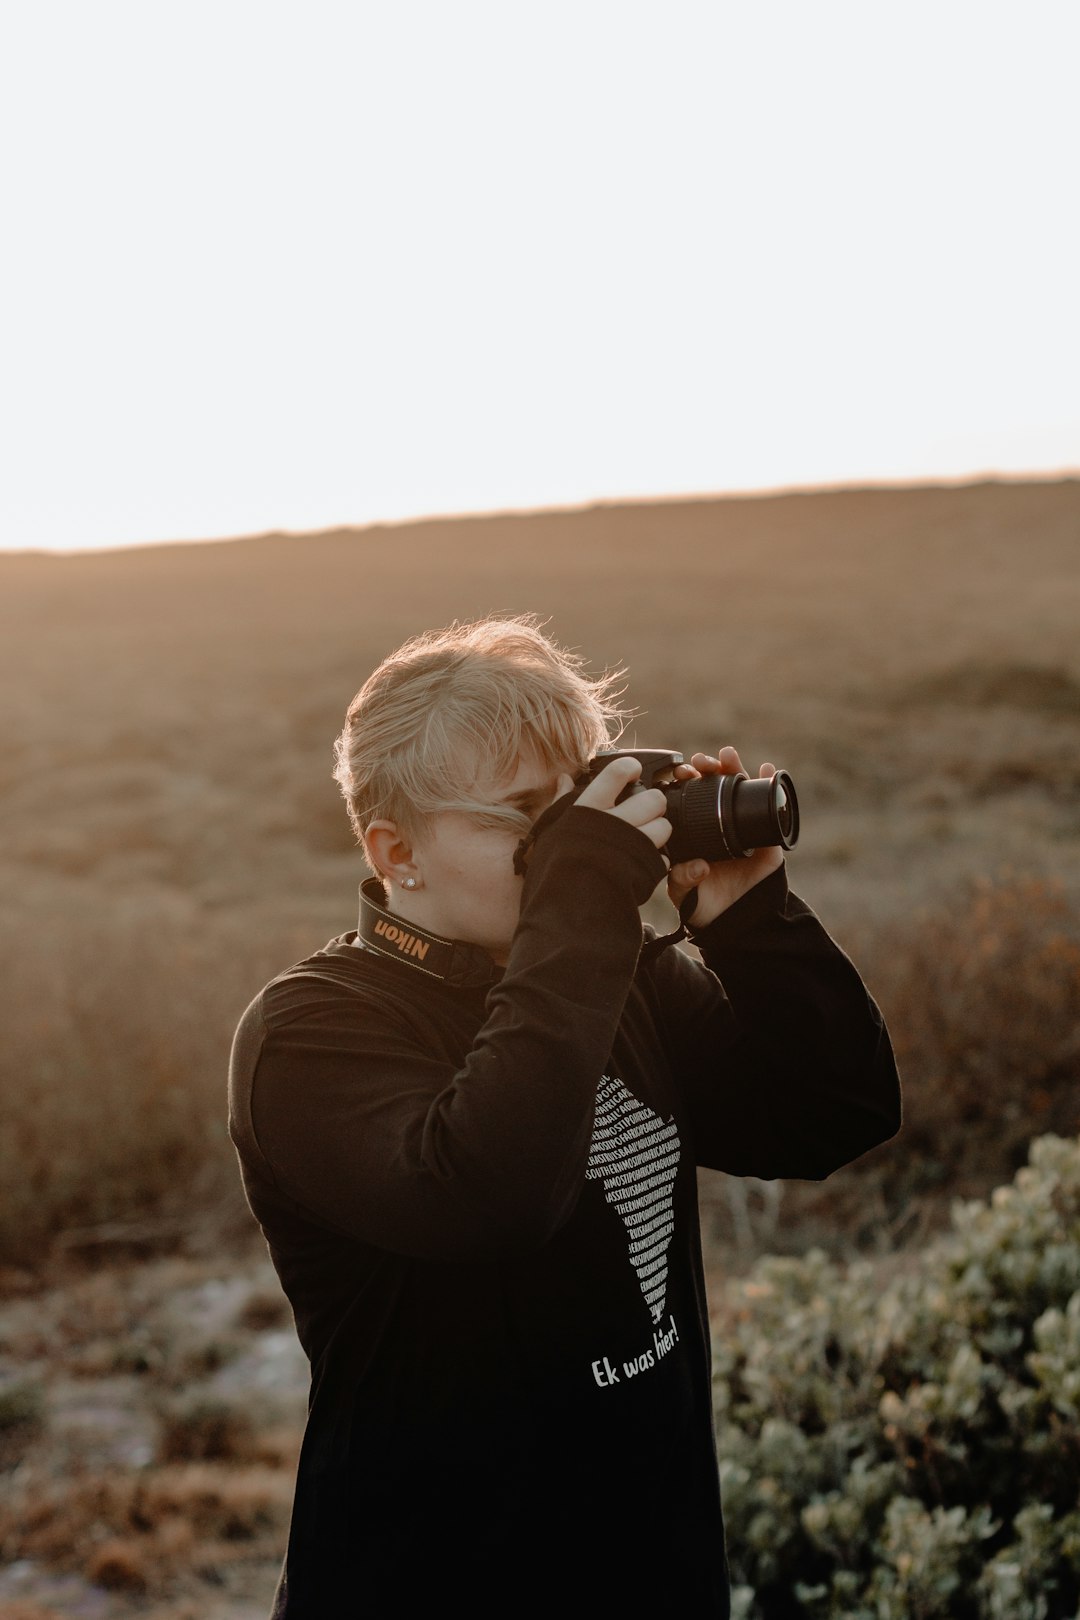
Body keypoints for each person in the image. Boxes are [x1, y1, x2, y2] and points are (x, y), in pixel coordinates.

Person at [228, 614, 901, 1617]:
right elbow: (493, 1194)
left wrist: (750, 919)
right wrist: (581, 904)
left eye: (581, 803)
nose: (578, 847)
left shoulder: (614, 975)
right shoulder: (312, 1032)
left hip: (653, 1571)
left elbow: (831, 1112)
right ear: (394, 848)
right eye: (526, 817)